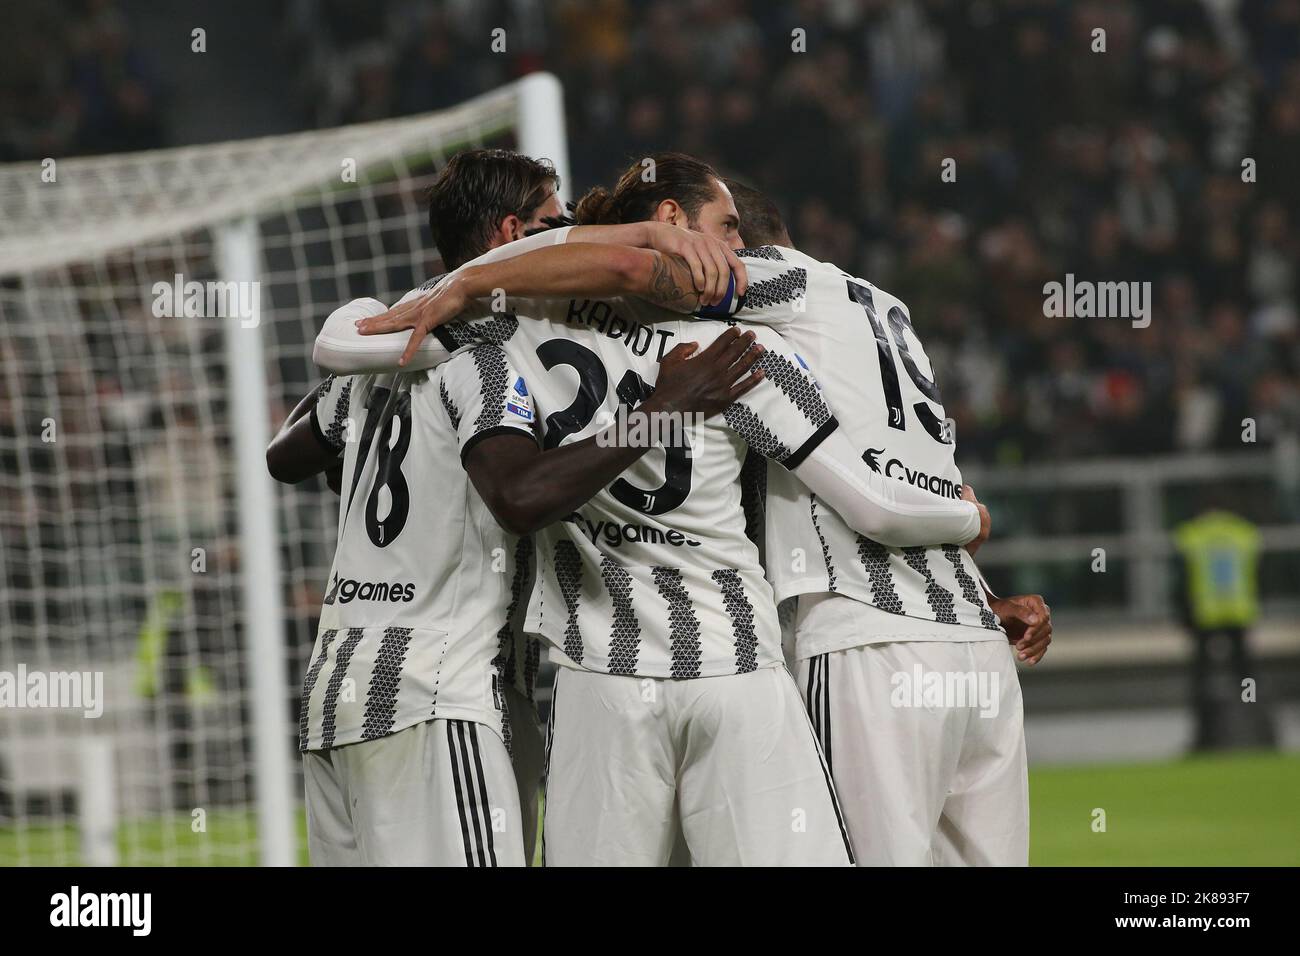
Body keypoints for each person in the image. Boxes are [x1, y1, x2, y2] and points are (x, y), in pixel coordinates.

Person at [320, 152, 991, 865]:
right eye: (728, 230)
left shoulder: (520, 327)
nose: (741, 251)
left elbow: (339, 362)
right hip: (734, 670)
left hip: (598, 679)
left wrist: (448, 291)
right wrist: (970, 521)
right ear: (671, 226)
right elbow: (861, 500)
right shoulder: (742, 351)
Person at [1173, 504, 1276, 751]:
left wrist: (1183, 615)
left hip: (1205, 616)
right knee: (1246, 678)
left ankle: (1204, 738)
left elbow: (1181, 579)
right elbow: (1261, 576)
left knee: (1203, 679)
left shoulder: (1192, 535)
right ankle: (1260, 730)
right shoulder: (1243, 533)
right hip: (1239, 614)